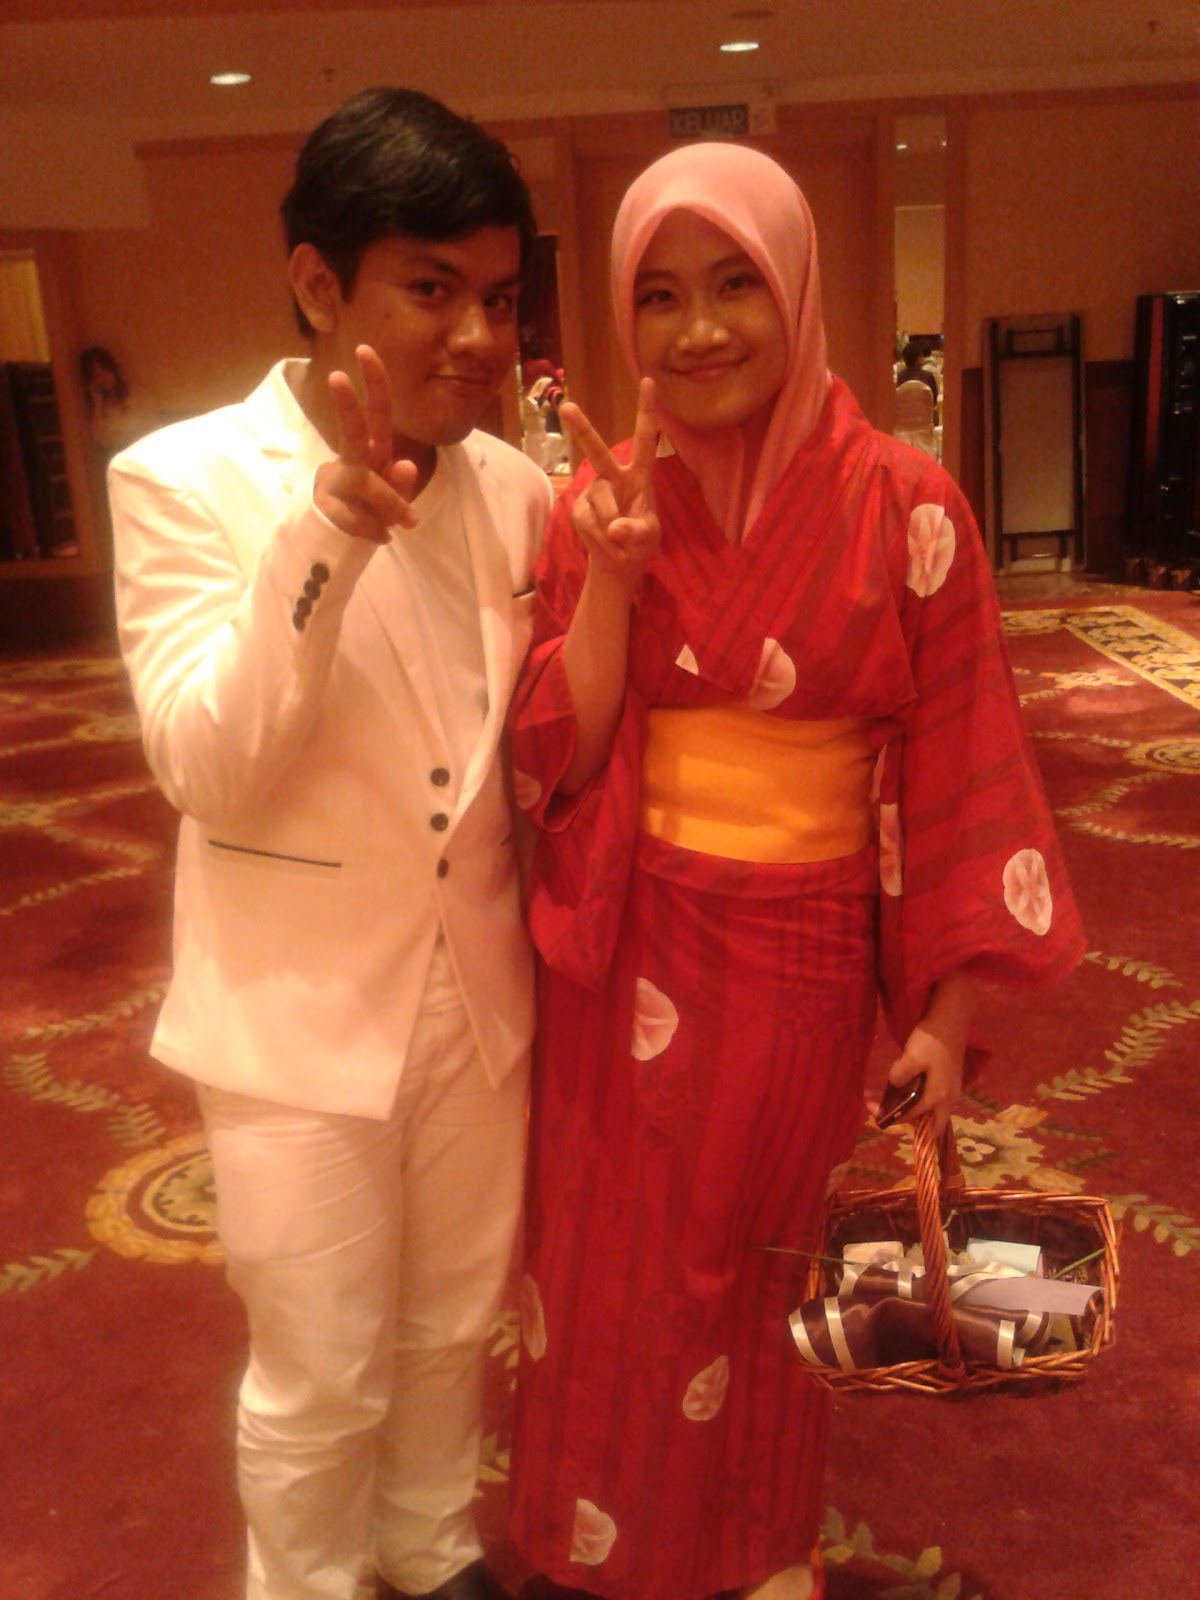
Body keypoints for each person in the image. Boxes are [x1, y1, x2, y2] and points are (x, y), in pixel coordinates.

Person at [505, 144, 1084, 1600]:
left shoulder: (909, 503)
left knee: (769, 1259)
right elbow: (564, 761)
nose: (699, 330)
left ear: (798, 290)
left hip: (804, 952)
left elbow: (964, 762)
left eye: (735, 286)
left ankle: (761, 1547)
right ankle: (603, 1549)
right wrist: (614, 577)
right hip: (631, 941)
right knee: (611, 1266)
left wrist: (945, 1015)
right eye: (659, 296)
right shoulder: (601, 502)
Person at [107, 86, 552, 1600]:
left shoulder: (515, 489)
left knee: (450, 1324)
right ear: (317, 284)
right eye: (431, 289)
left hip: (478, 994)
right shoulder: (181, 479)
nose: (477, 336)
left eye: (500, 297)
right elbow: (205, 767)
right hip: (294, 1015)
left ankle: (428, 1548)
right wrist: (325, 535)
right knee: (317, 1373)